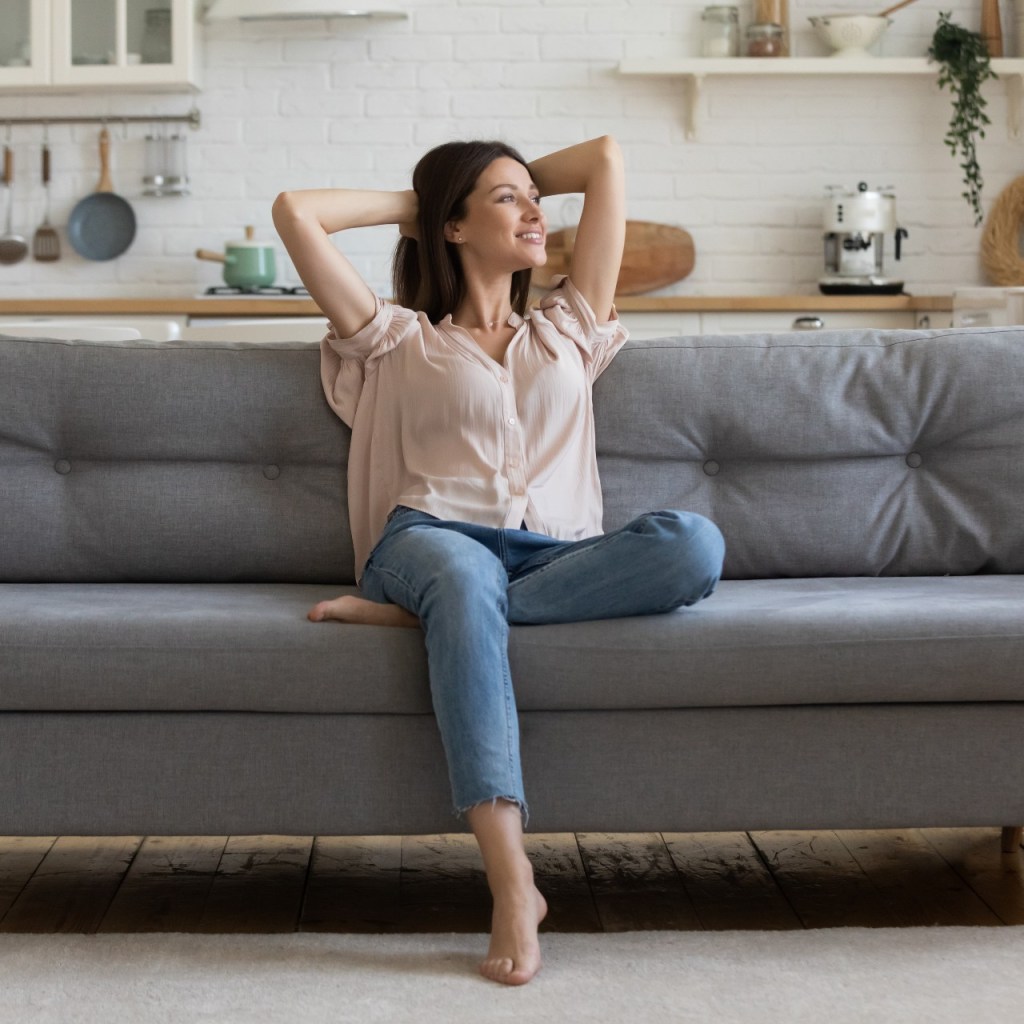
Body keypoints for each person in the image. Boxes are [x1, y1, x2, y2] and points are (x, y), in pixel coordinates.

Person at [272, 135, 725, 986]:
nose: (536, 212)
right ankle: (513, 878)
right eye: (508, 200)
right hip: (430, 540)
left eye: (534, 198)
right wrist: (422, 201)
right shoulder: (394, 339)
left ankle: (437, 619)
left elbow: (603, 160)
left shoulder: (570, 329)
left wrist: (497, 193)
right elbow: (296, 212)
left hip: (553, 556)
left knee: (695, 544)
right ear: (450, 227)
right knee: (462, 576)